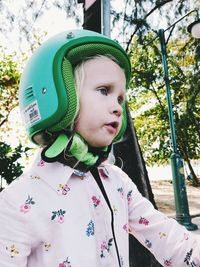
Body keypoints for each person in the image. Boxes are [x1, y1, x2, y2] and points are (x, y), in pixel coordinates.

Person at [0, 29, 199, 267]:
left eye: (120, 99)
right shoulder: (18, 201)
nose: (117, 107)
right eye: (104, 90)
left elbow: (168, 238)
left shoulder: (116, 182)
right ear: (58, 96)